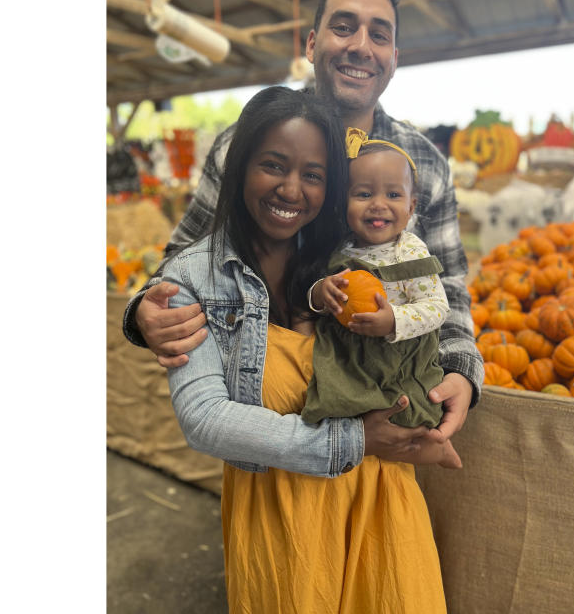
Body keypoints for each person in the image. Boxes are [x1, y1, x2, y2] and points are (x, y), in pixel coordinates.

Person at [123, 0, 483, 445]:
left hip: (389, 402)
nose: (360, 45)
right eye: (343, 26)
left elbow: (450, 287)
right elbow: (184, 257)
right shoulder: (243, 147)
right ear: (312, 44)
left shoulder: (425, 165)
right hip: (271, 412)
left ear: (393, 59)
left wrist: (460, 369)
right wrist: (144, 313)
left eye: (379, 34)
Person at [161, 84, 449, 611]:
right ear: (241, 167)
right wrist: (354, 441)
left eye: (313, 175)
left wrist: (456, 372)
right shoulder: (192, 279)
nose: (292, 190)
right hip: (281, 515)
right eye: (273, 165)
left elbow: (432, 307)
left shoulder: (344, 257)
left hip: (381, 501)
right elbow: (204, 418)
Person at [302, 129, 461, 469]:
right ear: (343, 202)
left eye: (392, 194)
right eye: (363, 193)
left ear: (411, 206)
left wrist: (394, 321)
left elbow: (437, 307)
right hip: (349, 355)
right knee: (334, 403)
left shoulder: (410, 251)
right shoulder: (342, 248)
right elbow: (315, 297)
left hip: (396, 356)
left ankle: (430, 447)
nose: (378, 204)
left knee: (405, 407)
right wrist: (320, 293)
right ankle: (350, 450)